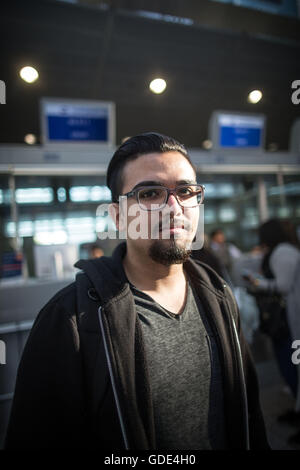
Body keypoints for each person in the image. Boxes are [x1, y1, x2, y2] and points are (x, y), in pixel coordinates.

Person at [5, 132, 269, 450]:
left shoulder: (218, 297)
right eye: (150, 193)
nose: (174, 207)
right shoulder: (72, 320)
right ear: (117, 216)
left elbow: (249, 417)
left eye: (186, 191)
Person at [244, 219, 300, 444]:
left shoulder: (283, 252)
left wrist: (257, 283)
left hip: (291, 320)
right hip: (288, 320)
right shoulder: (284, 250)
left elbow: (283, 286)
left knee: (293, 366)